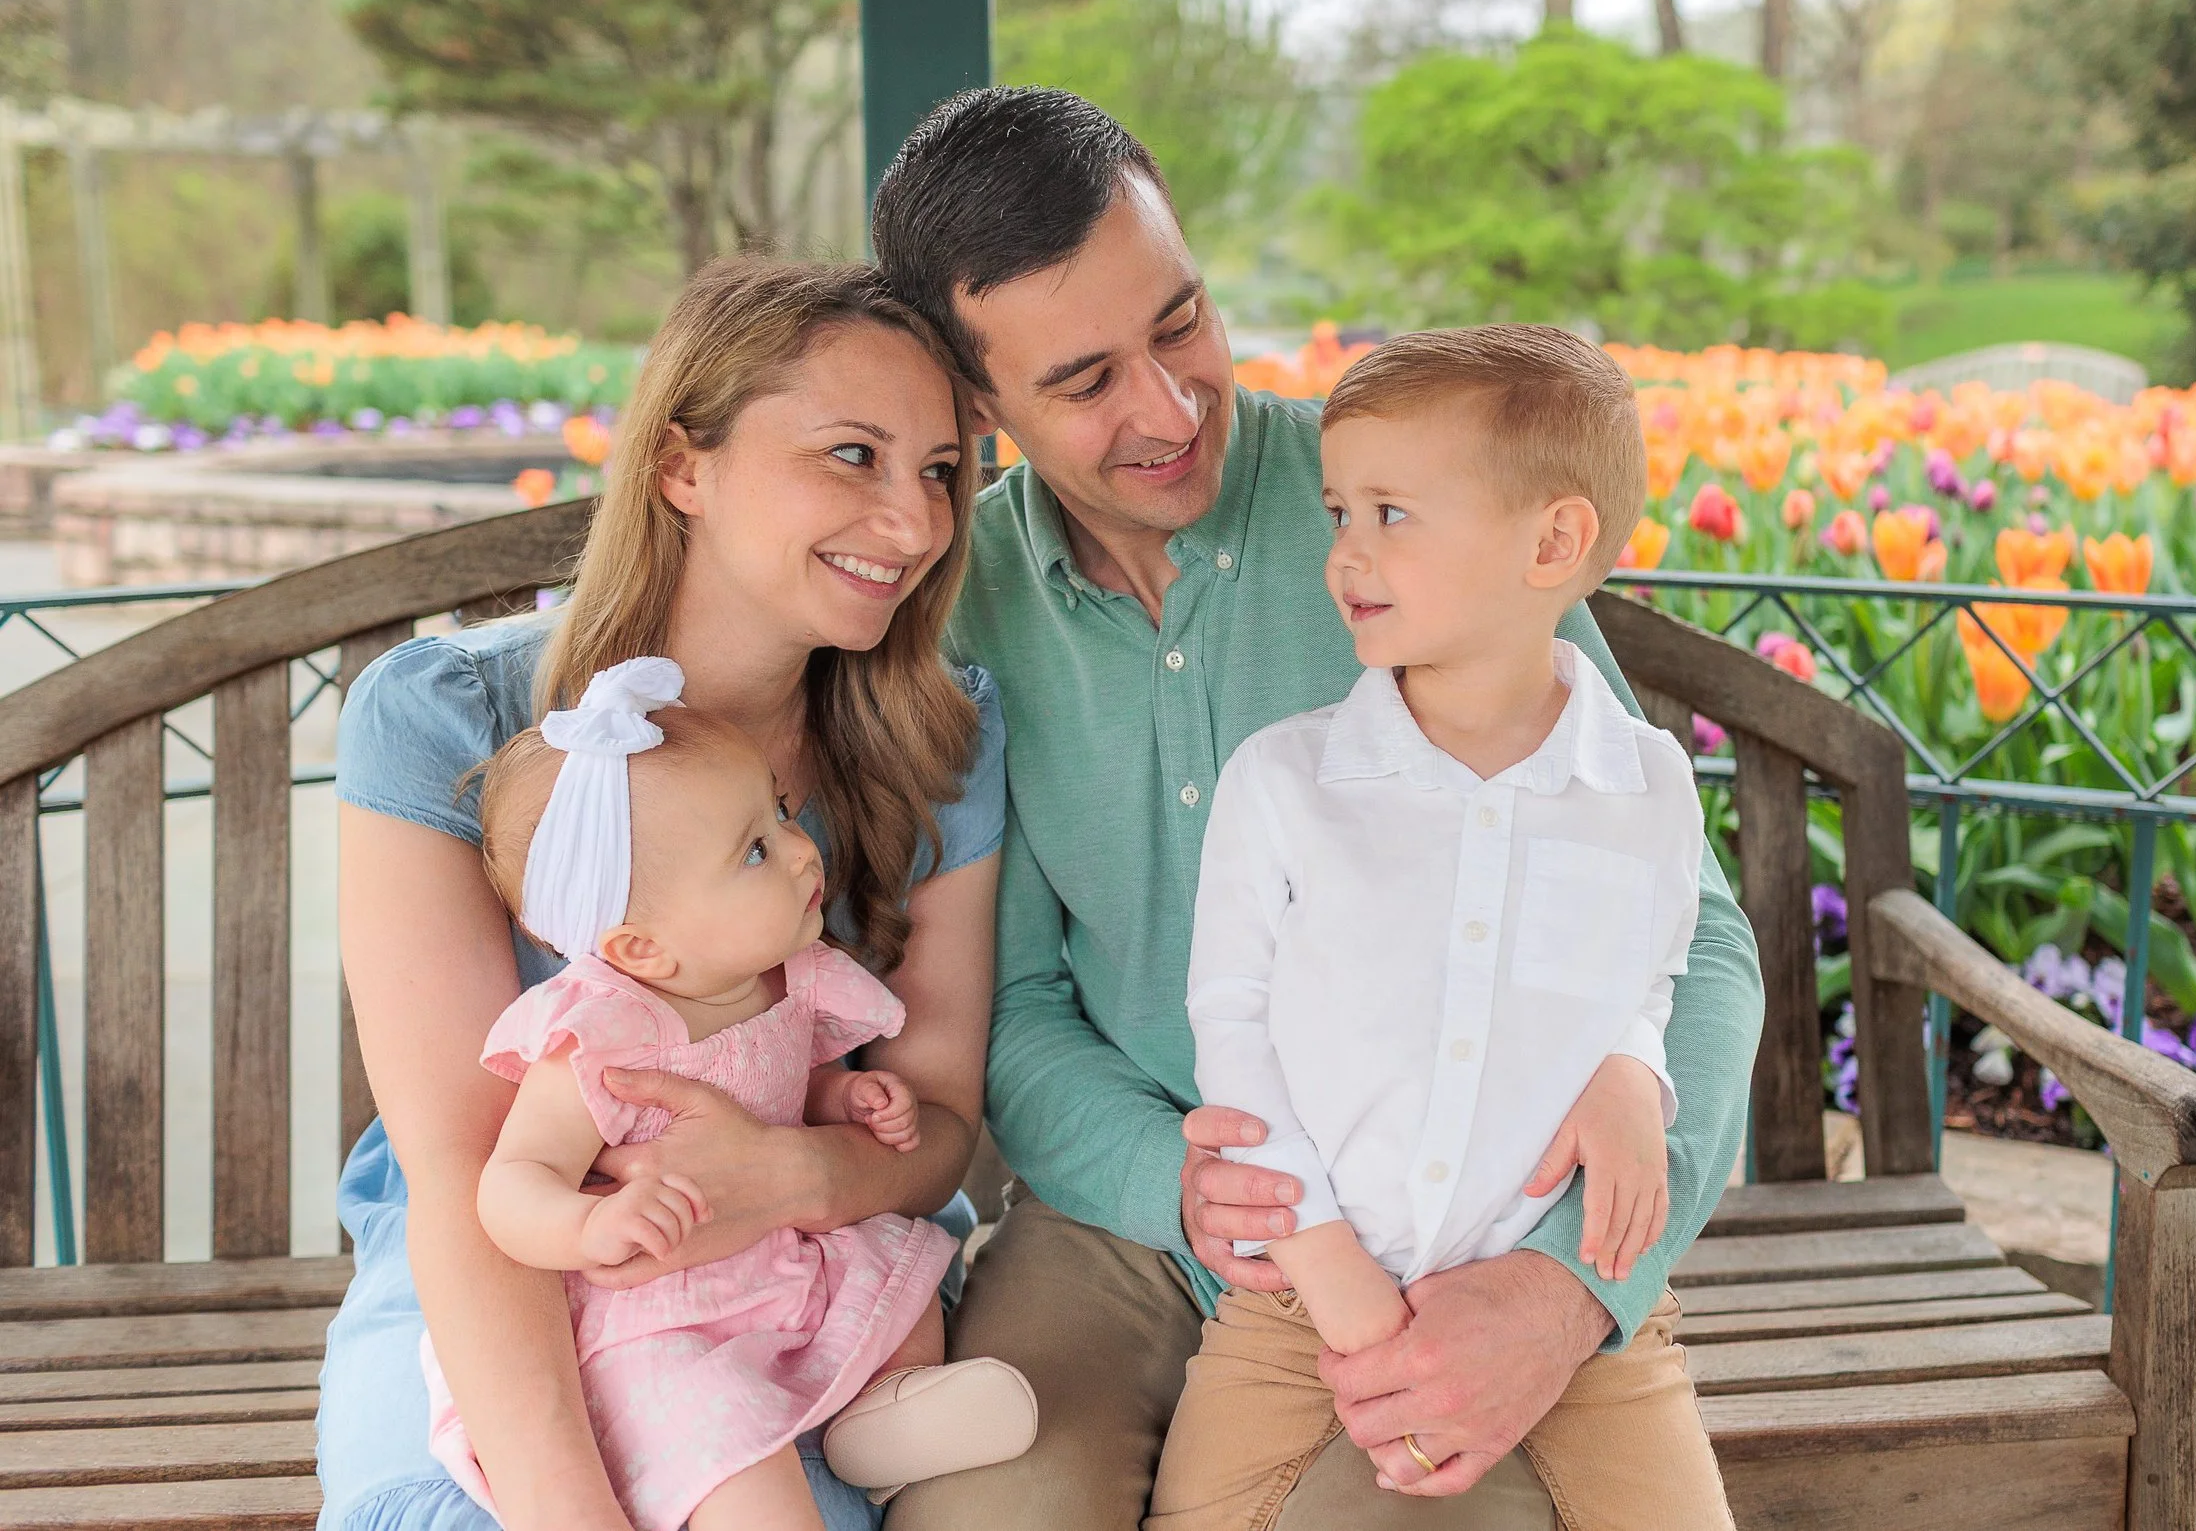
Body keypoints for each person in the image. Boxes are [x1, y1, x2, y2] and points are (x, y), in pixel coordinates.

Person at [876, 85, 1763, 1530]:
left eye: (1181, 323)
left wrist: (1563, 1285)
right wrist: (1187, 1184)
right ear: (980, 409)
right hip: (1130, 1213)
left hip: (1444, 1217)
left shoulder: (1413, 509)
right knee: (988, 1510)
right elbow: (1015, 1001)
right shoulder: (960, 610)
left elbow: (1692, 938)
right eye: (1086, 379)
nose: (1166, 407)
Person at [320, 258, 1007, 1531]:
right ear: (683, 466)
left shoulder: (936, 735)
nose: (915, 525)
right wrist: (565, 1509)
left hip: (802, 1270)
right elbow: (470, 1170)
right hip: (499, 1261)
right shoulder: (443, 718)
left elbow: (943, 1121)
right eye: (852, 454)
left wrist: (789, 1176)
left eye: (940, 471)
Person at [1151, 325, 1731, 1530]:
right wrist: (1334, 1274)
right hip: (1298, 1305)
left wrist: (1635, 1063)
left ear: (1554, 541)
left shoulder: (1648, 784)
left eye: (1392, 513)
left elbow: (1656, 962)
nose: (1345, 554)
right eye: (1338, 511)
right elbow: (1234, 1025)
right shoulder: (1285, 781)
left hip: (1589, 1318)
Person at [423, 659, 1036, 1531]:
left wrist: (848, 1098)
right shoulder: (602, 1035)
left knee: (900, 1274)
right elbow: (509, 1179)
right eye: (755, 848)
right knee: (730, 1451)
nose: (799, 849)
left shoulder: (789, 978)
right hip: (662, 1315)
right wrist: (587, 1225)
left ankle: (888, 1410)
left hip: (773, 1255)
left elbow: (795, 1081)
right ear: (641, 950)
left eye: (780, 814)